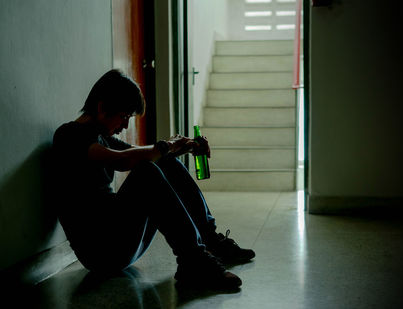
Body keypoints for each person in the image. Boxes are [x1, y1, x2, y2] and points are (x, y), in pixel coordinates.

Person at [52, 69, 255, 290]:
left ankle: (211, 242)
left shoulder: (102, 137)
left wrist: (186, 146)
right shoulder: (69, 135)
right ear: (102, 108)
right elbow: (122, 160)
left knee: (162, 162)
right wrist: (165, 146)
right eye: (124, 117)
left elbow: (143, 153)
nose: (125, 126)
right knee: (147, 171)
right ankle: (193, 261)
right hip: (101, 252)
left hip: (122, 241)